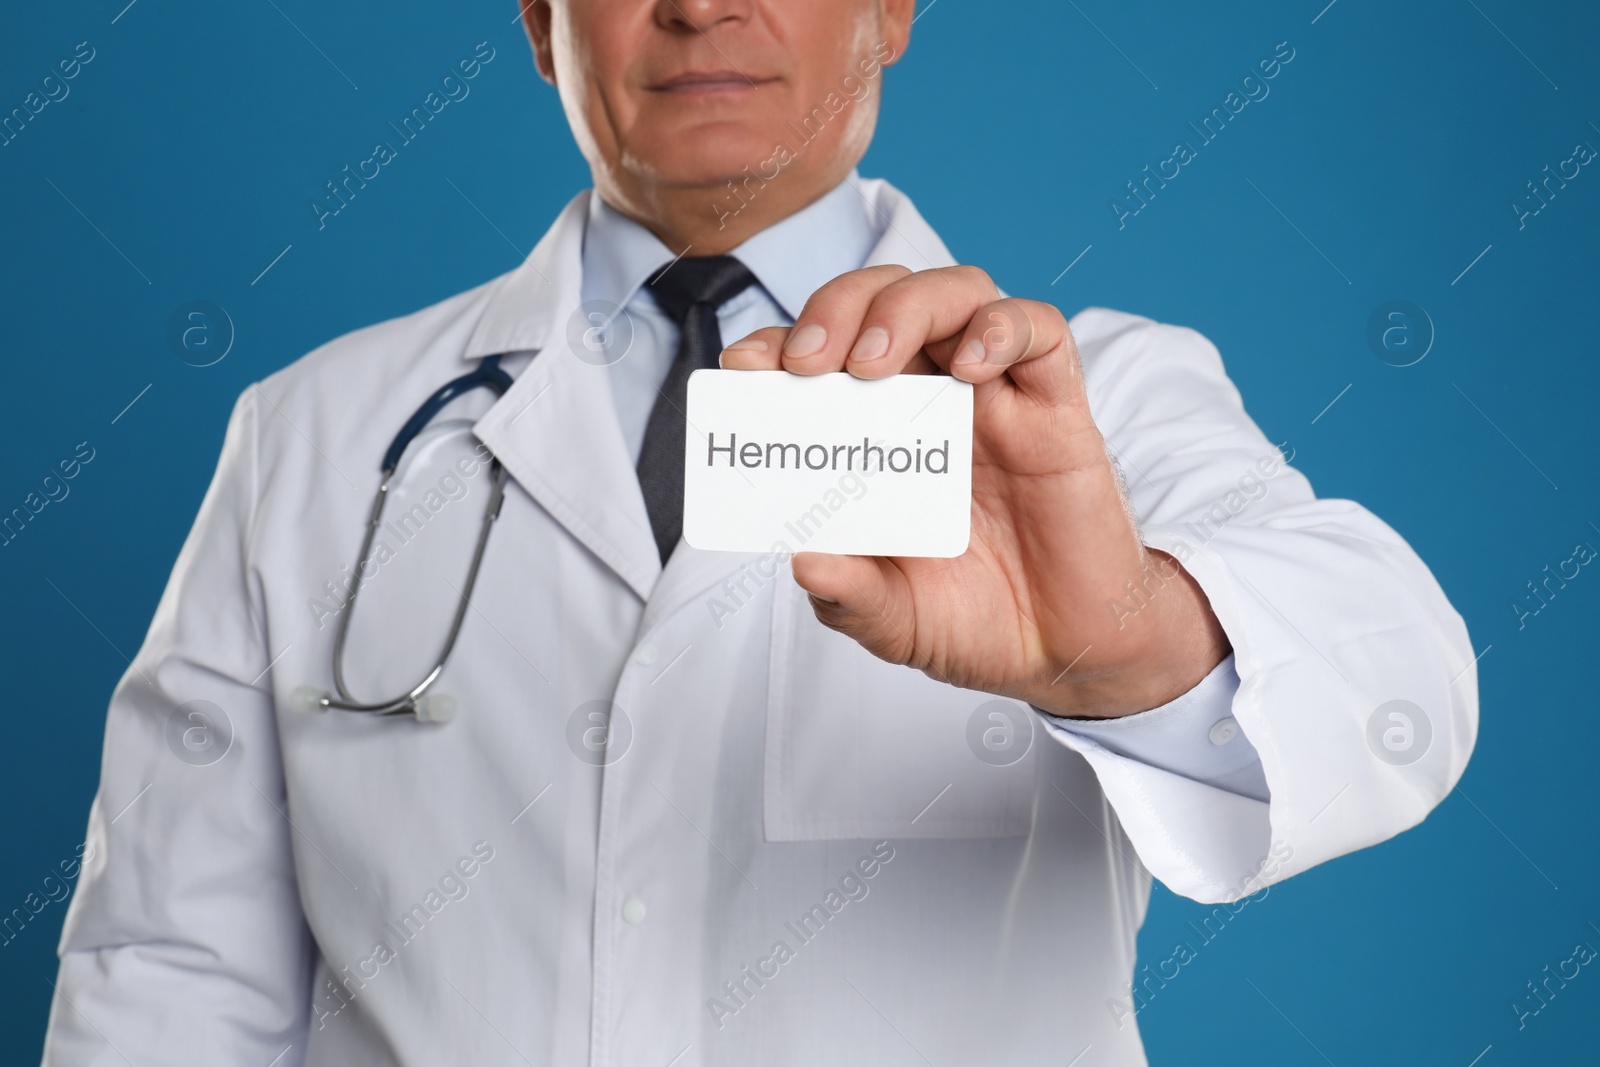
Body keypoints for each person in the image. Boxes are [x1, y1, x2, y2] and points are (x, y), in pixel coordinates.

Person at [42, 1, 1476, 1064]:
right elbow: (166, 981)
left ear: (893, 11)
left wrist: (1114, 639)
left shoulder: (1091, 400)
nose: (700, 4)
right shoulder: (314, 431)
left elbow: (1398, 685)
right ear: (540, 22)